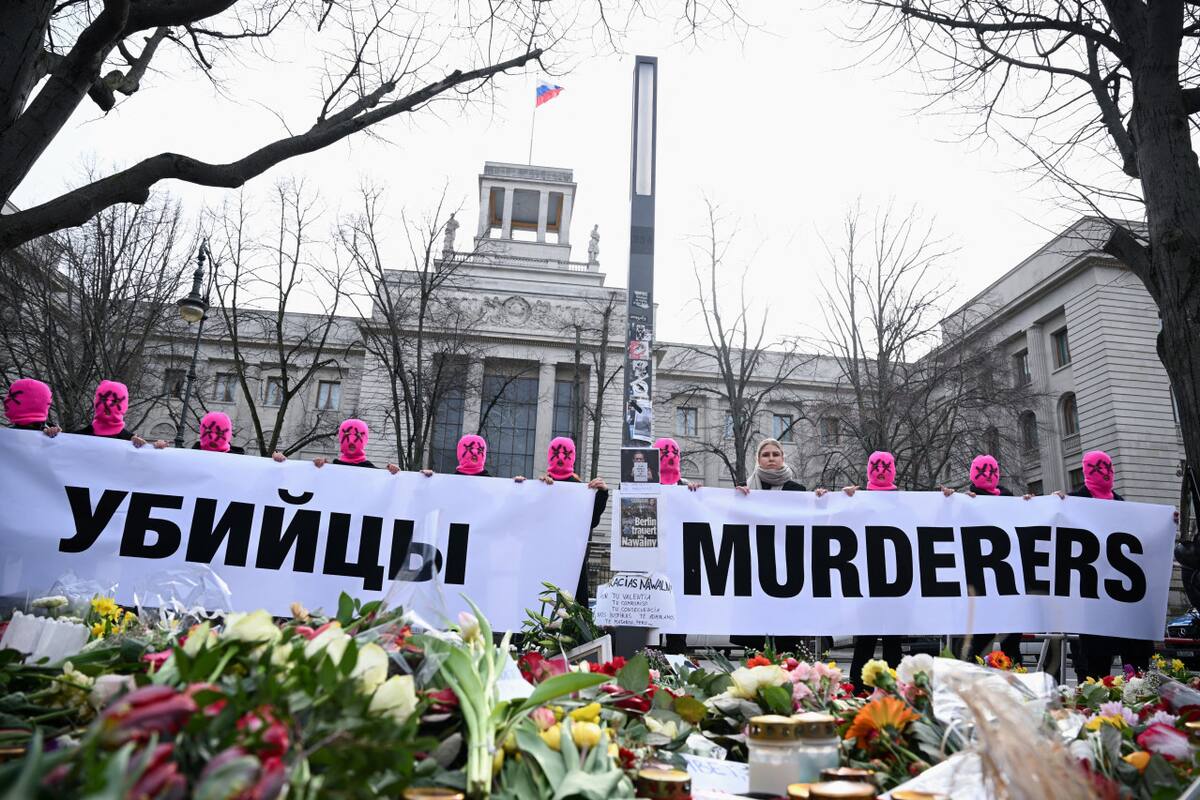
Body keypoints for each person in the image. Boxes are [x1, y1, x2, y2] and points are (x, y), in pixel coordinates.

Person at [1061, 450, 1152, 679]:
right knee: (1096, 673)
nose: (1104, 473)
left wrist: (1167, 525)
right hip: (1092, 604)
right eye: (1095, 468)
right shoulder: (1070, 503)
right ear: (1085, 472)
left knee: (1138, 672)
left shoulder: (1124, 506)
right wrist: (1041, 504)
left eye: (1107, 467)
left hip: (1125, 602)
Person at [827, 450, 905, 690]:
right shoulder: (857, 499)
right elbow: (833, 523)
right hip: (867, 581)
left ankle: (895, 688)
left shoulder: (904, 501)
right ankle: (858, 687)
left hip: (895, 581)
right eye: (876, 466)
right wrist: (840, 500)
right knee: (865, 639)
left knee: (893, 641)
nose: (881, 471)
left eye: (886, 466)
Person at [941, 454, 1025, 664]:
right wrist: (947, 502)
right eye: (982, 471)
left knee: (1012, 643)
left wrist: (1037, 505)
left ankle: (1014, 686)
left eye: (991, 470)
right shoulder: (965, 501)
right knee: (978, 643)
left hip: (1007, 585)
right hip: (979, 587)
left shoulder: (1010, 500)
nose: (988, 475)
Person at [732, 439, 807, 656]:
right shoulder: (746, 490)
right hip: (757, 573)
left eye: (776, 454)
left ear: (783, 457)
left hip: (788, 574)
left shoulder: (798, 491)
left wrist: (822, 497)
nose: (771, 458)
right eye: (766, 454)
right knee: (757, 653)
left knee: (787, 649)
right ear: (758, 459)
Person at [536, 436, 610, 604]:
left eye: (566, 453)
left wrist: (602, 493)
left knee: (574, 612)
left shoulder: (582, 490)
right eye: (556, 453)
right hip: (546, 558)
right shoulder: (541, 485)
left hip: (573, 561)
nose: (561, 458)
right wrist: (524, 488)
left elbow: (591, 521)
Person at [654, 437, 702, 655]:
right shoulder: (643, 486)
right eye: (664, 454)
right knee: (650, 621)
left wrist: (697, 496)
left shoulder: (687, 489)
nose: (670, 458)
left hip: (679, 566)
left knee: (677, 625)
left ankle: (676, 665)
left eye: (674, 454)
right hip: (651, 564)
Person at [72, 379, 160, 448]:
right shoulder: (74, 437)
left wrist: (158, 448)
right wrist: (58, 434)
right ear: (96, 402)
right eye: (103, 399)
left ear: (124, 406)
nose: (108, 404)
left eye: (115, 401)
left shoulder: (134, 442)